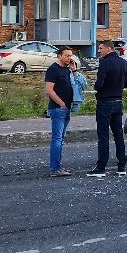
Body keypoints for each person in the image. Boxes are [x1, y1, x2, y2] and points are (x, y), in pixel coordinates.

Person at [88, 38, 127, 177]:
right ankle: (121, 166)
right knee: (118, 134)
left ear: (108, 48)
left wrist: (97, 87)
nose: (99, 51)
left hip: (105, 102)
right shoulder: (123, 62)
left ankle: (101, 167)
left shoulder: (105, 63)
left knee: (103, 135)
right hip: (118, 101)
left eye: (100, 48)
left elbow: (99, 84)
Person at [44, 46, 76, 177]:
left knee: (61, 139)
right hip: (58, 109)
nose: (69, 58)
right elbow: (49, 90)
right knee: (57, 139)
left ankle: (57, 165)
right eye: (67, 56)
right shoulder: (53, 69)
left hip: (67, 108)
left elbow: (78, 84)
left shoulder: (67, 70)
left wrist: (74, 70)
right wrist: (61, 103)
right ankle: (55, 168)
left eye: (70, 56)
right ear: (59, 56)